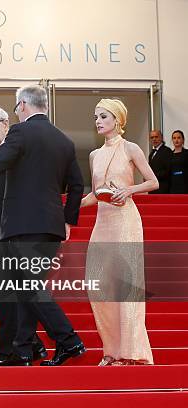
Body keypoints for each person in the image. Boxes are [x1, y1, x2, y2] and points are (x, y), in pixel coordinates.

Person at [0, 85, 85, 367]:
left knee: (28, 288)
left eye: (16, 108)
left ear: (23, 105)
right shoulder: (64, 140)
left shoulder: (19, 133)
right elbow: (76, 185)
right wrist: (67, 220)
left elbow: (0, 162)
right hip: (51, 226)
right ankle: (25, 350)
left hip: (23, 227)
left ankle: (68, 340)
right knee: (29, 287)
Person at [81, 99, 157, 366]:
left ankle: (131, 353)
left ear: (117, 120)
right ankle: (111, 350)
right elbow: (94, 193)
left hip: (126, 220)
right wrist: (69, 207)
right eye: (96, 117)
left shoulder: (131, 148)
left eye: (103, 116)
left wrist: (130, 190)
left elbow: (153, 181)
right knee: (98, 286)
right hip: (103, 222)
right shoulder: (94, 155)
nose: (98, 121)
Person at [0, 104, 47, 367]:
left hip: (12, 240)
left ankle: (13, 353)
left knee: (6, 297)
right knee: (3, 296)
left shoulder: (16, 155)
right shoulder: (0, 157)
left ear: (7, 124)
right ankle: (29, 345)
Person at [148, 129, 172, 194]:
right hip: (153, 188)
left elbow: (167, 170)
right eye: (152, 137)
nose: (154, 139)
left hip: (163, 188)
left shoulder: (167, 151)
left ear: (161, 137)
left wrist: (152, 177)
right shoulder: (151, 154)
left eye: (156, 137)